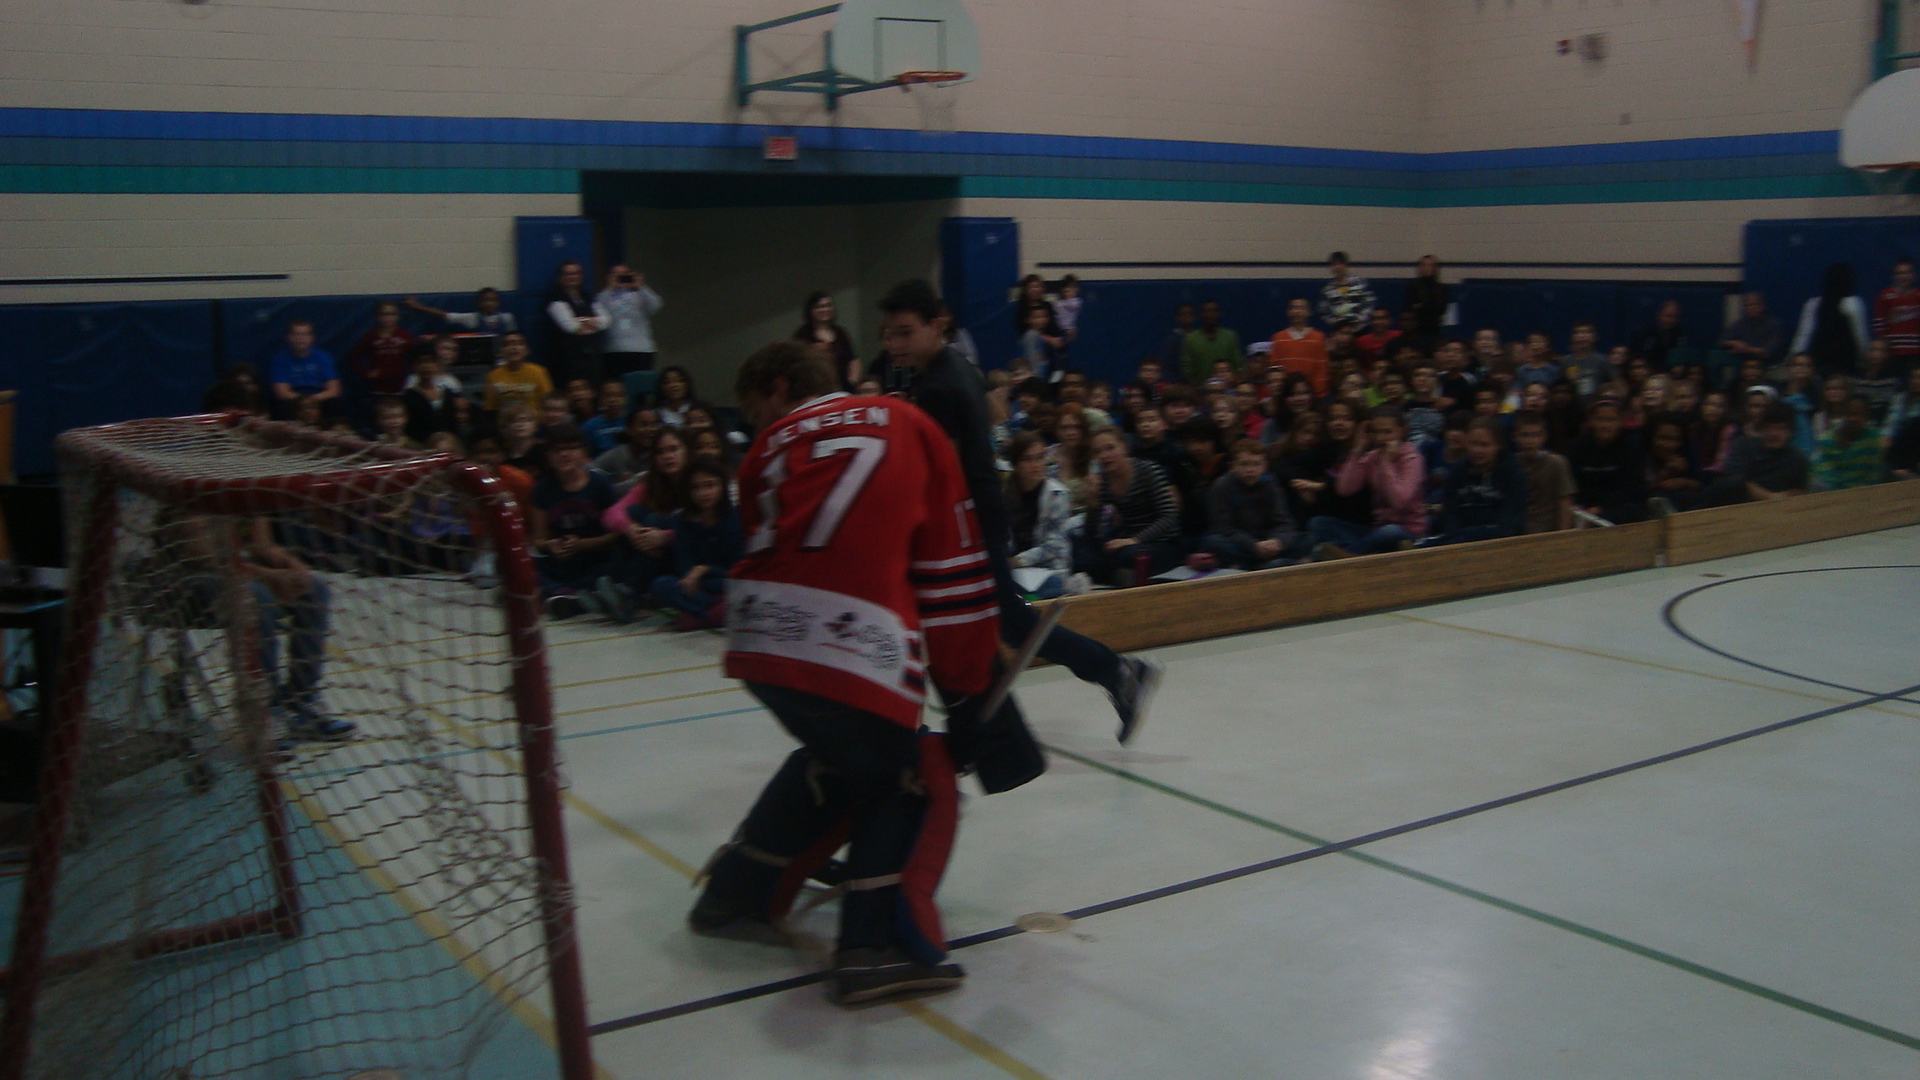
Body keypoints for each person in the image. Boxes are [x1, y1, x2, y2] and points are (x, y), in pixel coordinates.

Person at [688, 340, 1008, 1006]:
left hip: (756, 635)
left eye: (751, 409)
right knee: (904, 782)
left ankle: (733, 896)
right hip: (847, 637)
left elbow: (774, 544)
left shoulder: (768, 447)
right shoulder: (907, 422)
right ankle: (872, 949)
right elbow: (950, 567)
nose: (753, 421)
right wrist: (970, 689)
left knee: (834, 754)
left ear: (779, 391)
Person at [878, 279, 1159, 741]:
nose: (894, 344)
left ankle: (1114, 672)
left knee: (993, 622)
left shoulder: (936, 387)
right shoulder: (958, 367)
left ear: (937, 325)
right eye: (888, 333)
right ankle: (1113, 673)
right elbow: (989, 425)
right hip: (982, 512)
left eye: (905, 332)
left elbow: (937, 473)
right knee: (1003, 623)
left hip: (964, 523)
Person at [1309, 406, 1426, 557]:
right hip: (1376, 531)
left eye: (1387, 432)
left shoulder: (1413, 459)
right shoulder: (1373, 456)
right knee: (1319, 524)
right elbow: (1344, 489)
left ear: (1402, 432)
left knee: (1390, 531)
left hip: (1408, 531)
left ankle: (1351, 556)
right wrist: (1357, 448)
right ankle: (1359, 553)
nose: (1380, 438)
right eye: (1376, 432)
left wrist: (1386, 463)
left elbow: (1399, 502)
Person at [529, 426, 618, 615]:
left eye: (571, 448)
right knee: (524, 564)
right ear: (548, 456)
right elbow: (538, 540)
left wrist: (583, 544)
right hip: (562, 560)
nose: (564, 454)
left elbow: (616, 535)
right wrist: (551, 545)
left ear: (583, 453)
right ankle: (567, 595)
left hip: (595, 557)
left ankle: (563, 595)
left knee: (616, 565)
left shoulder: (600, 485)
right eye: (557, 450)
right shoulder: (542, 489)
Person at [649, 456, 741, 630]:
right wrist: (694, 576)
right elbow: (685, 567)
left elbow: (736, 568)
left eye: (710, 485)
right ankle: (711, 613)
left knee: (736, 585)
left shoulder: (734, 518)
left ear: (722, 486)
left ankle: (699, 615)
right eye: (696, 488)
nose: (703, 493)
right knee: (661, 585)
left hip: (726, 580)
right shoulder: (683, 521)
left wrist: (704, 569)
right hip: (698, 586)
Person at [1081, 426, 1181, 585]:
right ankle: (1124, 577)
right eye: (1098, 452)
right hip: (1127, 541)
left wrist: (1135, 540)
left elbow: (1169, 518)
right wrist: (1092, 502)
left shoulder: (1147, 470)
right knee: (1084, 553)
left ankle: (1124, 577)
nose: (1105, 456)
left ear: (1124, 447)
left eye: (1110, 448)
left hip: (1161, 542)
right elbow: (1092, 533)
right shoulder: (1104, 481)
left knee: (1127, 555)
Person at [1200, 439, 1302, 569]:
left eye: (1256, 464)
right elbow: (1223, 528)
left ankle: (1260, 564)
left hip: (1267, 540)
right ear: (1233, 466)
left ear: (1264, 466)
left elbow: (1284, 522)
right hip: (1240, 543)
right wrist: (1253, 546)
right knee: (1213, 542)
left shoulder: (1270, 483)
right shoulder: (1221, 486)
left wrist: (1277, 541)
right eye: (1244, 464)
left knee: (1304, 538)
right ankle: (1266, 565)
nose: (1250, 470)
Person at [1428, 418, 1526, 545]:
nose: (1478, 450)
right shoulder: (1458, 472)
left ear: (1498, 446)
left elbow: (1511, 522)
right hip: (1460, 543)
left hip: (1501, 543)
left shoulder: (1513, 473)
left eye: (1485, 445)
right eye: (1474, 444)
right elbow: (1449, 513)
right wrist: (1456, 538)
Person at [1004, 431, 1076, 598]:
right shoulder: (1005, 496)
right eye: (1028, 460)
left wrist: (1019, 560)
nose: (1036, 464)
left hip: (1049, 569)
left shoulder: (1057, 494)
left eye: (1040, 458)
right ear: (1015, 464)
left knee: (1050, 586)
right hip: (1015, 570)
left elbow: (1054, 545)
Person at [1565, 399, 1648, 523]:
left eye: (1611, 420)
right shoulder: (1576, 447)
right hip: (1584, 509)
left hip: (1618, 508)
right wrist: (1580, 506)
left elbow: (1633, 488)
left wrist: (1601, 508)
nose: (1605, 425)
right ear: (1591, 420)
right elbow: (1573, 483)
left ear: (1621, 422)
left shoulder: (1631, 447)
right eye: (1600, 420)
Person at [1791, 262, 1870, 377]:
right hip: (1846, 363)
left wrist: (1792, 358)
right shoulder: (1853, 303)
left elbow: (1803, 336)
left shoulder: (1813, 304)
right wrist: (1863, 361)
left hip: (1819, 361)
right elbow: (1860, 337)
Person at [1722, 401, 1810, 501]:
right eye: (1770, 427)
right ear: (1762, 428)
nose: (1774, 434)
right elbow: (1734, 480)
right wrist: (1770, 497)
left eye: (1781, 428)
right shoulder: (1744, 446)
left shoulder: (1797, 459)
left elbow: (1798, 492)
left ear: (1790, 432)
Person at [543, 260, 605, 386]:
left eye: (576, 273)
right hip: (566, 360)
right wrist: (591, 321)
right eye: (568, 274)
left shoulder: (588, 297)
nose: (572, 277)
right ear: (561, 278)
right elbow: (571, 326)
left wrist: (581, 321)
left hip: (591, 359)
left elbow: (606, 320)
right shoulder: (554, 299)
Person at [597, 264, 664, 379]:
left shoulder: (640, 293)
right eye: (616, 274)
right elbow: (596, 309)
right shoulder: (605, 295)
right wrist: (609, 288)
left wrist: (641, 287)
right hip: (614, 349)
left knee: (640, 387)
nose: (621, 277)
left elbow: (656, 305)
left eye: (624, 274)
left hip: (641, 349)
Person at [1513, 411, 1575, 533]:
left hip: (1548, 531)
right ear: (1515, 437)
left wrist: (1562, 535)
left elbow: (1564, 502)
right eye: (1525, 435)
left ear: (1544, 436)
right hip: (1518, 532)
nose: (1530, 441)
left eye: (1535, 435)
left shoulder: (1557, 463)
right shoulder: (1511, 464)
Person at [268, 320, 342, 418]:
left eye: (305, 335)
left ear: (312, 338)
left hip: (319, 397)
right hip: (293, 400)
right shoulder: (280, 360)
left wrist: (312, 400)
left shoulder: (324, 358)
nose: (300, 338)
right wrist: (303, 401)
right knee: (281, 406)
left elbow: (334, 390)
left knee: (335, 404)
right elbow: (281, 392)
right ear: (289, 337)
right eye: (296, 334)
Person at [346, 300, 416, 396]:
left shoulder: (405, 336)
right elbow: (354, 356)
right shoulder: (370, 336)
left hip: (401, 385)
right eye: (384, 314)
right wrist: (366, 373)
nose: (388, 318)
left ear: (397, 316)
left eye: (392, 314)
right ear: (377, 317)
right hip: (378, 386)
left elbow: (414, 357)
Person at [1811, 397, 1881, 491]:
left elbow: (1874, 474)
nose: (1854, 419)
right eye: (1851, 414)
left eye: (1860, 415)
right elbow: (1825, 476)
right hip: (1833, 493)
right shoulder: (1826, 440)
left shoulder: (1872, 439)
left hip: (1865, 493)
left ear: (1867, 418)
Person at [794, 291, 860, 389]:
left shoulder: (840, 332)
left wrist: (852, 381)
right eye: (819, 307)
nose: (825, 310)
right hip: (814, 387)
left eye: (828, 306)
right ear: (810, 310)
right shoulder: (802, 334)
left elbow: (852, 359)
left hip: (842, 387)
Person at [401, 348, 464, 444]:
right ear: (413, 366)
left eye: (430, 361)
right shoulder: (409, 397)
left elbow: (453, 424)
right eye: (421, 362)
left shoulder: (447, 393)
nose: (426, 366)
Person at [1269, 298, 1329, 396]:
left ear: (1309, 312)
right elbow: (1274, 370)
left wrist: (1318, 393)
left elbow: (1321, 369)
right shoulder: (1278, 338)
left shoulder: (1319, 338)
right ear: (1288, 312)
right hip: (1285, 395)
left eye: (1301, 308)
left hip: (1312, 395)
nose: (1296, 311)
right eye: (1293, 308)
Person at [483, 332, 553, 415]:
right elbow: (490, 408)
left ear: (527, 350)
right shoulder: (493, 375)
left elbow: (549, 403)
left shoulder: (539, 372)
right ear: (501, 351)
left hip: (535, 425)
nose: (513, 347)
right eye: (507, 344)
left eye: (518, 343)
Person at [593, 407, 660, 489]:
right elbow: (589, 471)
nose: (650, 429)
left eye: (654, 424)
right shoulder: (617, 454)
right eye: (644, 425)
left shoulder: (659, 454)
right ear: (629, 430)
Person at [1872, 256, 1919, 372]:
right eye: (1900, 273)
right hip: (1893, 352)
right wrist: (1885, 347)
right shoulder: (1886, 296)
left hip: (1917, 352)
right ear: (1894, 276)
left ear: (1914, 275)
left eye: (1907, 273)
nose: (1904, 277)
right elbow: (1880, 325)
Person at [407, 287, 517, 335]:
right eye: (485, 300)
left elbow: (514, 338)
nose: (489, 303)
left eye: (492, 300)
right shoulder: (472, 318)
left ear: (498, 302)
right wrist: (418, 307)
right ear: (479, 303)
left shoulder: (507, 318)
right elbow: (446, 315)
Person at [1180, 301, 1241, 387]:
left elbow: (1238, 366)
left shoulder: (1229, 337)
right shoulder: (1191, 339)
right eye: (1207, 311)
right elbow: (1187, 371)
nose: (1210, 314)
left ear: (1219, 314)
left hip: (1227, 391)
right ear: (1201, 314)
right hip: (1199, 391)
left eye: (1214, 311)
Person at [1721, 292, 1785, 372]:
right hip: (1742, 360)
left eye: (1755, 304)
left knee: (1750, 365)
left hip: (1765, 362)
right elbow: (1722, 341)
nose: (1751, 308)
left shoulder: (1773, 325)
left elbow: (1768, 352)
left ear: (1763, 306)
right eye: (1748, 305)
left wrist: (1746, 349)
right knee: (1715, 356)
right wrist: (1733, 343)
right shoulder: (1740, 323)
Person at [1318, 251, 1375, 330]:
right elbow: (1323, 312)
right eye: (1334, 264)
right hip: (1339, 332)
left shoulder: (1360, 284)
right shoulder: (1327, 290)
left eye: (1340, 264)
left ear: (1346, 265)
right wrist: (1333, 321)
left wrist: (1359, 320)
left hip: (1360, 330)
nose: (1337, 267)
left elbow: (1369, 304)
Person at [1630, 301, 1689, 372]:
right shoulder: (1646, 333)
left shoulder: (1681, 334)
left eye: (1675, 317)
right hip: (1647, 371)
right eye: (1668, 316)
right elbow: (1639, 356)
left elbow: (1681, 357)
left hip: (1672, 373)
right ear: (1659, 315)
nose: (1671, 321)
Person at [1404, 255, 1448, 343]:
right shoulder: (1412, 287)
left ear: (1435, 268)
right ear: (1419, 268)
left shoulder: (1443, 288)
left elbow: (1441, 310)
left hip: (1435, 329)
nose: (1427, 268)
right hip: (1416, 331)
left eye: (1430, 265)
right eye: (1424, 265)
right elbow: (1410, 309)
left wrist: (1422, 306)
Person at [581, 379, 630, 455]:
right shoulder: (589, 426)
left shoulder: (633, 421)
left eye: (618, 395)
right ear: (600, 399)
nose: (613, 399)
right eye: (608, 396)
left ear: (625, 398)